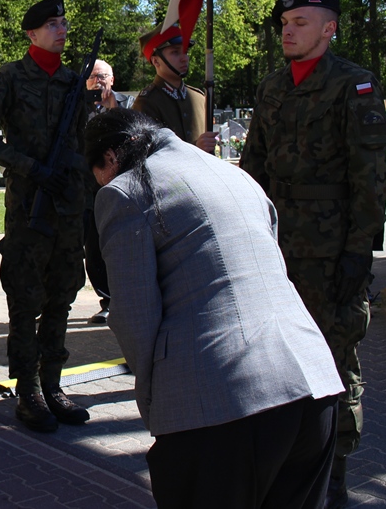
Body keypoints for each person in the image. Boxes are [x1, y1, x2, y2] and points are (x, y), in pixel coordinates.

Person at [88, 108, 343, 509]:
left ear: (109, 157)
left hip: (225, 403)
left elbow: (136, 317)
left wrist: (155, 404)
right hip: (314, 383)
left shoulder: (125, 191)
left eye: (97, 174)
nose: (101, 183)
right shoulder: (234, 175)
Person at [240, 0, 386, 509]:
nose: (288, 30)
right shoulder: (272, 86)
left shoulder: (355, 85)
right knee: (273, 359)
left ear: (329, 28)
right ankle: (283, 461)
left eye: (300, 22)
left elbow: (370, 180)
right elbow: (253, 169)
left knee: (334, 359)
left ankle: (335, 471)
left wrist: (359, 253)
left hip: (330, 254)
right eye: (285, 22)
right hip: (275, 250)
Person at [0, 0, 89, 433]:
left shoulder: (74, 82)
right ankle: (28, 390)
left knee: (62, 293)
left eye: (63, 23)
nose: (61, 29)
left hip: (67, 205)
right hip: (29, 205)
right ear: (32, 33)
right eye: (52, 24)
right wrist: (30, 167)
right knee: (25, 296)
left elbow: (83, 140)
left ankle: (53, 385)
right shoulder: (12, 78)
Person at [82, 59, 133, 324]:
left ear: (112, 79)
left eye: (102, 76)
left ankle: (124, 301)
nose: (97, 81)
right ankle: (107, 301)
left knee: (123, 246)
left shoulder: (128, 104)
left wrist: (114, 110)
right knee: (93, 249)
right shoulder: (79, 108)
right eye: (92, 76)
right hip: (89, 191)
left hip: (124, 188)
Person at [133, 26, 217, 153]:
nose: (184, 58)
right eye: (175, 52)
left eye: (185, 52)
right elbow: (147, 155)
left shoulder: (199, 98)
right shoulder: (147, 102)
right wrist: (195, 149)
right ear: (156, 61)